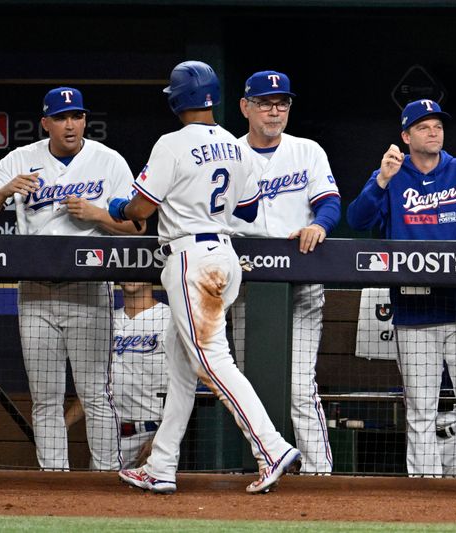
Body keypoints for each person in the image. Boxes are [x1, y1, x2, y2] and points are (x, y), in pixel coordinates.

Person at [110, 60, 301, 494]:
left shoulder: (171, 144)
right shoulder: (238, 147)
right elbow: (249, 209)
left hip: (191, 259)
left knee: (211, 360)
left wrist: (122, 207)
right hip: (225, 257)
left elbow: (141, 209)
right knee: (181, 368)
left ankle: (271, 446)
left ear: (177, 100)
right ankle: (160, 466)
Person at [0, 86, 143, 471]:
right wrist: (5, 191)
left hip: (88, 291)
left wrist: (97, 215)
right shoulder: (21, 159)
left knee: (96, 395)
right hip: (36, 294)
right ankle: (54, 480)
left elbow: (137, 224)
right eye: (62, 117)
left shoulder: (109, 161)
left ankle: (106, 475)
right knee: (45, 397)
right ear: (46, 122)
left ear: (85, 120)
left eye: (77, 116)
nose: (71, 124)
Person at [347, 98, 456, 477]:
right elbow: (356, 220)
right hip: (414, 312)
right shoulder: (392, 175)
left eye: (437, 126)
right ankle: (423, 487)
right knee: (420, 409)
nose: (433, 132)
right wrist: (381, 180)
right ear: (405, 136)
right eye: (423, 126)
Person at [229, 70, 341, 474]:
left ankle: (318, 474)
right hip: (248, 285)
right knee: (251, 382)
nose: (274, 111)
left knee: (297, 386)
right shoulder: (229, 154)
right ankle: (266, 463)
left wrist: (320, 225)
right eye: (264, 103)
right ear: (245, 107)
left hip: (301, 282)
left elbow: (329, 202)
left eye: (282, 103)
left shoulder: (307, 150)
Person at [66, 281, 171, 469]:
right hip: (106, 436)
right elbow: (94, 387)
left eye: (138, 272)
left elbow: (183, 386)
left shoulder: (169, 319)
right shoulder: (107, 321)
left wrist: (163, 439)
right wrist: (61, 425)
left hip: (151, 433)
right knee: (100, 496)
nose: (132, 277)